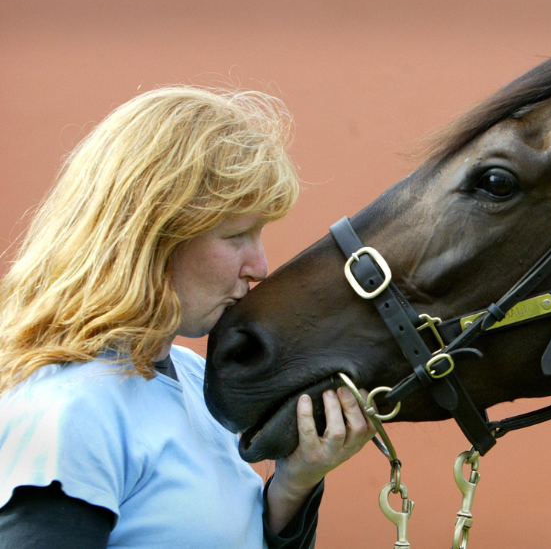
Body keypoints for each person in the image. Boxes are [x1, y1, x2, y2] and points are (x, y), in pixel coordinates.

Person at [0, 86, 375, 548]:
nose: (259, 267)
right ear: (152, 235)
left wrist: (294, 483)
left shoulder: (198, 380)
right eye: (237, 234)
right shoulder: (69, 411)